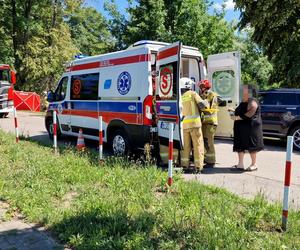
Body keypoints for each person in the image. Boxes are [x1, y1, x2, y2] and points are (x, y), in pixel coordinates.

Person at [229, 85, 264, 171]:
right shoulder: (243, 101)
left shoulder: (252, 101)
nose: (242, 92)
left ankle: (254, 164)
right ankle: (240, 164)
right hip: (241, 128)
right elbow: (241, 111)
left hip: (251, 128)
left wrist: (237, 118)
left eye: (244, 91)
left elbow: (250, 112)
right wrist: (233, 110)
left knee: (252, 146)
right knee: (240, 144)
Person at [180, 77, 209, 173]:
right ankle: (198, 167)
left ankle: (184, 165)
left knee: (185, 146)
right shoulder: (193, 94)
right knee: (198, 145)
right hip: (195, 124)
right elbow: (202, 105)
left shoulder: (180, 96)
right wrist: (206, 103)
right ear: (188, 85)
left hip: (184, 126)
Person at [199, 79, 219, 168]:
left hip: (211, 122)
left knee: (209, 142)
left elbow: (204, 105)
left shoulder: (210, 94)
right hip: (206, 123)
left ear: (206, 86)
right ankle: (207, 159)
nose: (201, 88)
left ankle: (211, 161)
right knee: (206, 141)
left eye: (202, 86)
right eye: (200, 87)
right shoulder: (205, 94)